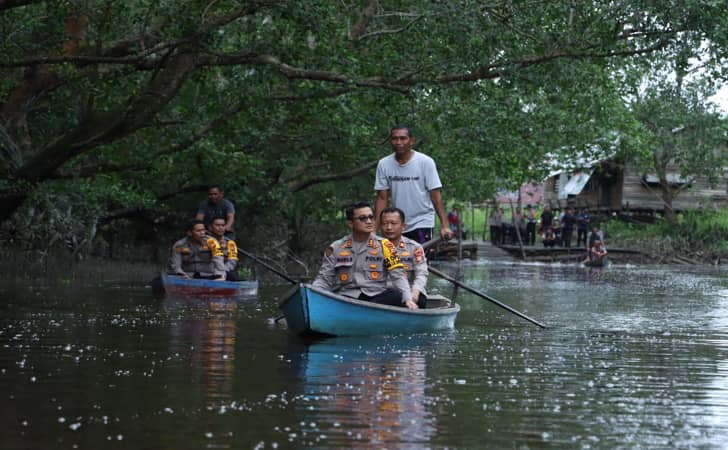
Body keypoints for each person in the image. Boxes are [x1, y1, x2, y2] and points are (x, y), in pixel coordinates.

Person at [312, 202, 417, 309]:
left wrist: (408, 299)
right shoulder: (336, 247)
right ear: (350, 223)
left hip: (377, 297)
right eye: (363, 218)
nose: (369, 221)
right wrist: (312, 293)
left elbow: (398, 276)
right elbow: (324, 279)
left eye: (371, 217)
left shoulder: (386, 245)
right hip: (347, 297)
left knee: (397, 295)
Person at [374, 125, 453, 244]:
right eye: (395, 139)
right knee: (395, 261)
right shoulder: (384, 164)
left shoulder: (425, 162)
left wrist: (445, 225)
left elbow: (435, 196)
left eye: (403, 138)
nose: (399, 142)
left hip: (422, 221)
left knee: (420, 260)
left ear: (411, 141)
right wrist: (375, 229)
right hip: (395, 223)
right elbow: (382, 197)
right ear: (390, 141)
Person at [380, 207, 429, 309]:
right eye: (385, 224)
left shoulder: (414, 247)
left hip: (411, 290)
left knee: (420, 300)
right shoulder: (374, 247)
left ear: (403, 226)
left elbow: (422, 273)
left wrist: (415, 291)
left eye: (393, 223)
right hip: (383, 292)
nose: (389, 227)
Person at [207, 216, 239, 280]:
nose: (221, 228)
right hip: (206, 272)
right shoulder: (204, 240)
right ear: (210, 227)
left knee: (233, 277)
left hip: (224, 272)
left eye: (223, 225)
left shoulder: (230, 243)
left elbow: (232, 261)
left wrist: (222, 271)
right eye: (217, 225)